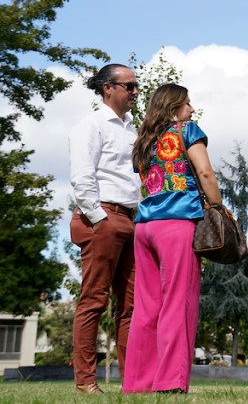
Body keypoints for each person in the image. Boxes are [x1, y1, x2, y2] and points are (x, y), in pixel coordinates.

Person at [121, 84, 223, 394]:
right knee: (178, 303)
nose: (191, 110)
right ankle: (170, 382)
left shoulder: (143, 140)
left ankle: (138, 383)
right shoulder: (187, 130)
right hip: (177, 225)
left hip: (145, 228)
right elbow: (204, 173)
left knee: (146, 307)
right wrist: (218, 207)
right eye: (187, 103)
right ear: (173, 107)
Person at [68, 63, 140, 394]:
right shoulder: (92, 125)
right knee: (94, 300)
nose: (135, 92)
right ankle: (85, 382)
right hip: (105, 218)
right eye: (130, 86)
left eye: (136, 86)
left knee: (132, 305)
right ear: (108, 88)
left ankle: (132, 381)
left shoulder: (132, 129)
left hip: (132, 220)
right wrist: (100, 219)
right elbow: (83, 175)